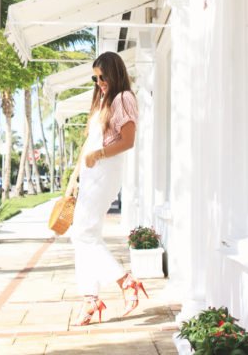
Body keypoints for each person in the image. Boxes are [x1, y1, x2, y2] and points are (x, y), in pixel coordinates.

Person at [65, 51, 145, 326]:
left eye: (102, 76)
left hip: (104, 172)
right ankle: (90, 300)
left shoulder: (124, 98)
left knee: (82, 234)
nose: (99, 82)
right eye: (95, 77)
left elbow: (128, 140)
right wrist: (73, 180)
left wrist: (98, 154)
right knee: (87, 236)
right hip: (89, 175)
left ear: (114, 73)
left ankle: (125, 281)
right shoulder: (102, 102)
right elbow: (86, 147)